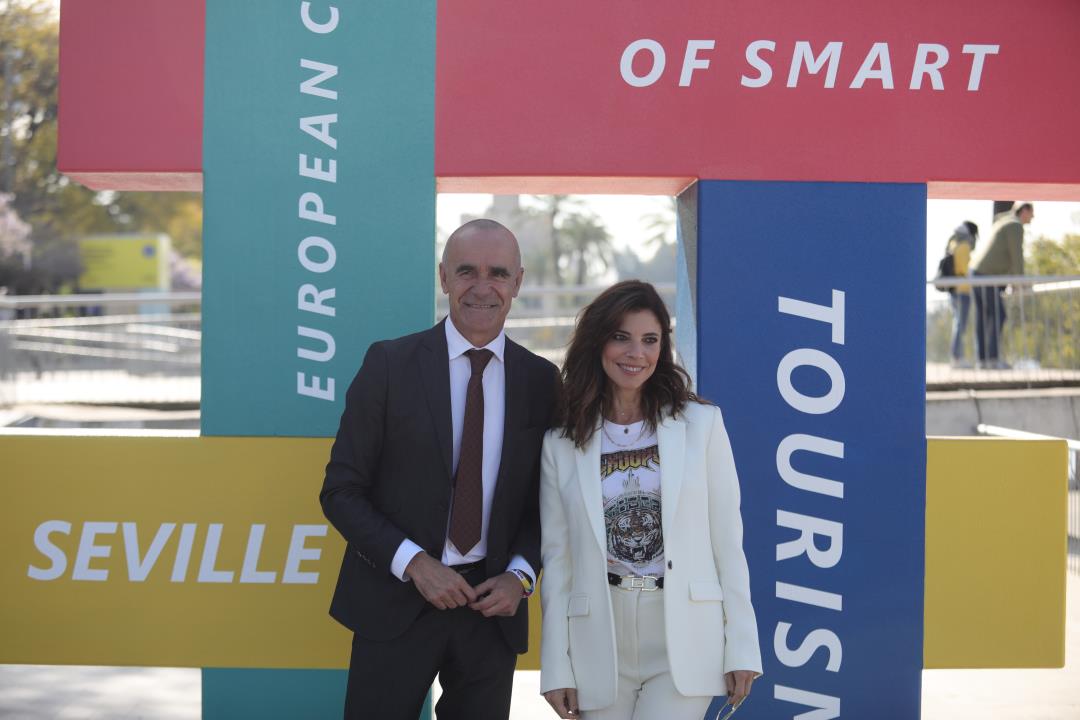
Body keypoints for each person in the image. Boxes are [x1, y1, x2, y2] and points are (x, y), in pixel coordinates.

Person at [320, 219, 560, 720]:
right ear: (444, 277)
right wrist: (415, 563)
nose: (482, 287)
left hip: (490, 612)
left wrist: (520, 576)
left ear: (518, 282)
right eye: (467, 271)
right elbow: (341, 491)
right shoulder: (389, 365)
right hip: (394, 602)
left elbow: (549, 501)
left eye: (498, 273)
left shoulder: (541, 380)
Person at [538, 280, 762, 720]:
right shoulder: (559, 443)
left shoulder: (702, 425)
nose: (635, 353)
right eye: (621, 337)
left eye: (649, 340)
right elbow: (558, 562)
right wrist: (556, 666)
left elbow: (728, 544)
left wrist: (742, 645)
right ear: (597, 343)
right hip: (596, 640)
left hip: (686, 636)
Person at [970, 202, 1033, 369]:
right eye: (1031, 213)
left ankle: (983, 360)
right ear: (1024, 210)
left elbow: (1004, 255)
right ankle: (992, 358)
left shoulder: (1003, 222)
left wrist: (1013, 281)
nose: (1032, 217)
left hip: (977, 273)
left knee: (984, 317)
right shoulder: (1015, 225)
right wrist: (1020, 282)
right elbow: (1016, 256)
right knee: (998, 315)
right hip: (986, 276)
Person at [945, 221, 978, 368]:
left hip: (953, 291)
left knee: (957, 323)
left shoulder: (953, 243)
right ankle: (957, 357)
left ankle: (956, 356)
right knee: (961, 325)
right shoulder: (964, 246)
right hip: (962, 291)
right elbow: (962, 270)